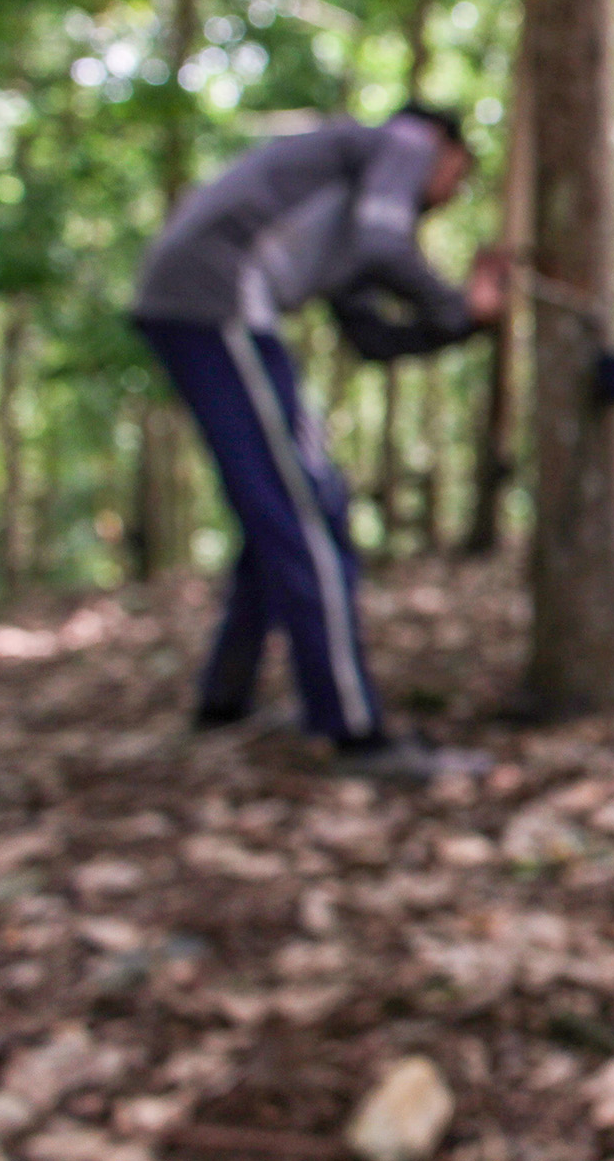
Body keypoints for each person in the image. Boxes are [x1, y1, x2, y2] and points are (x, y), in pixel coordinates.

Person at [131, 103, 507, 782]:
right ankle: (354, 732)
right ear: (445, 150)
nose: (449, 195)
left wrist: (463, 324)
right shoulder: (404, 143)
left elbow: (372, 338)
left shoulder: (350, 200)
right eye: (460, 177)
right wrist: (460, 303)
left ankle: (227, 696)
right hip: (218, 296)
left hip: (204, 303)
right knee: (307, 510)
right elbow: (386, 250)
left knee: (295, 504)